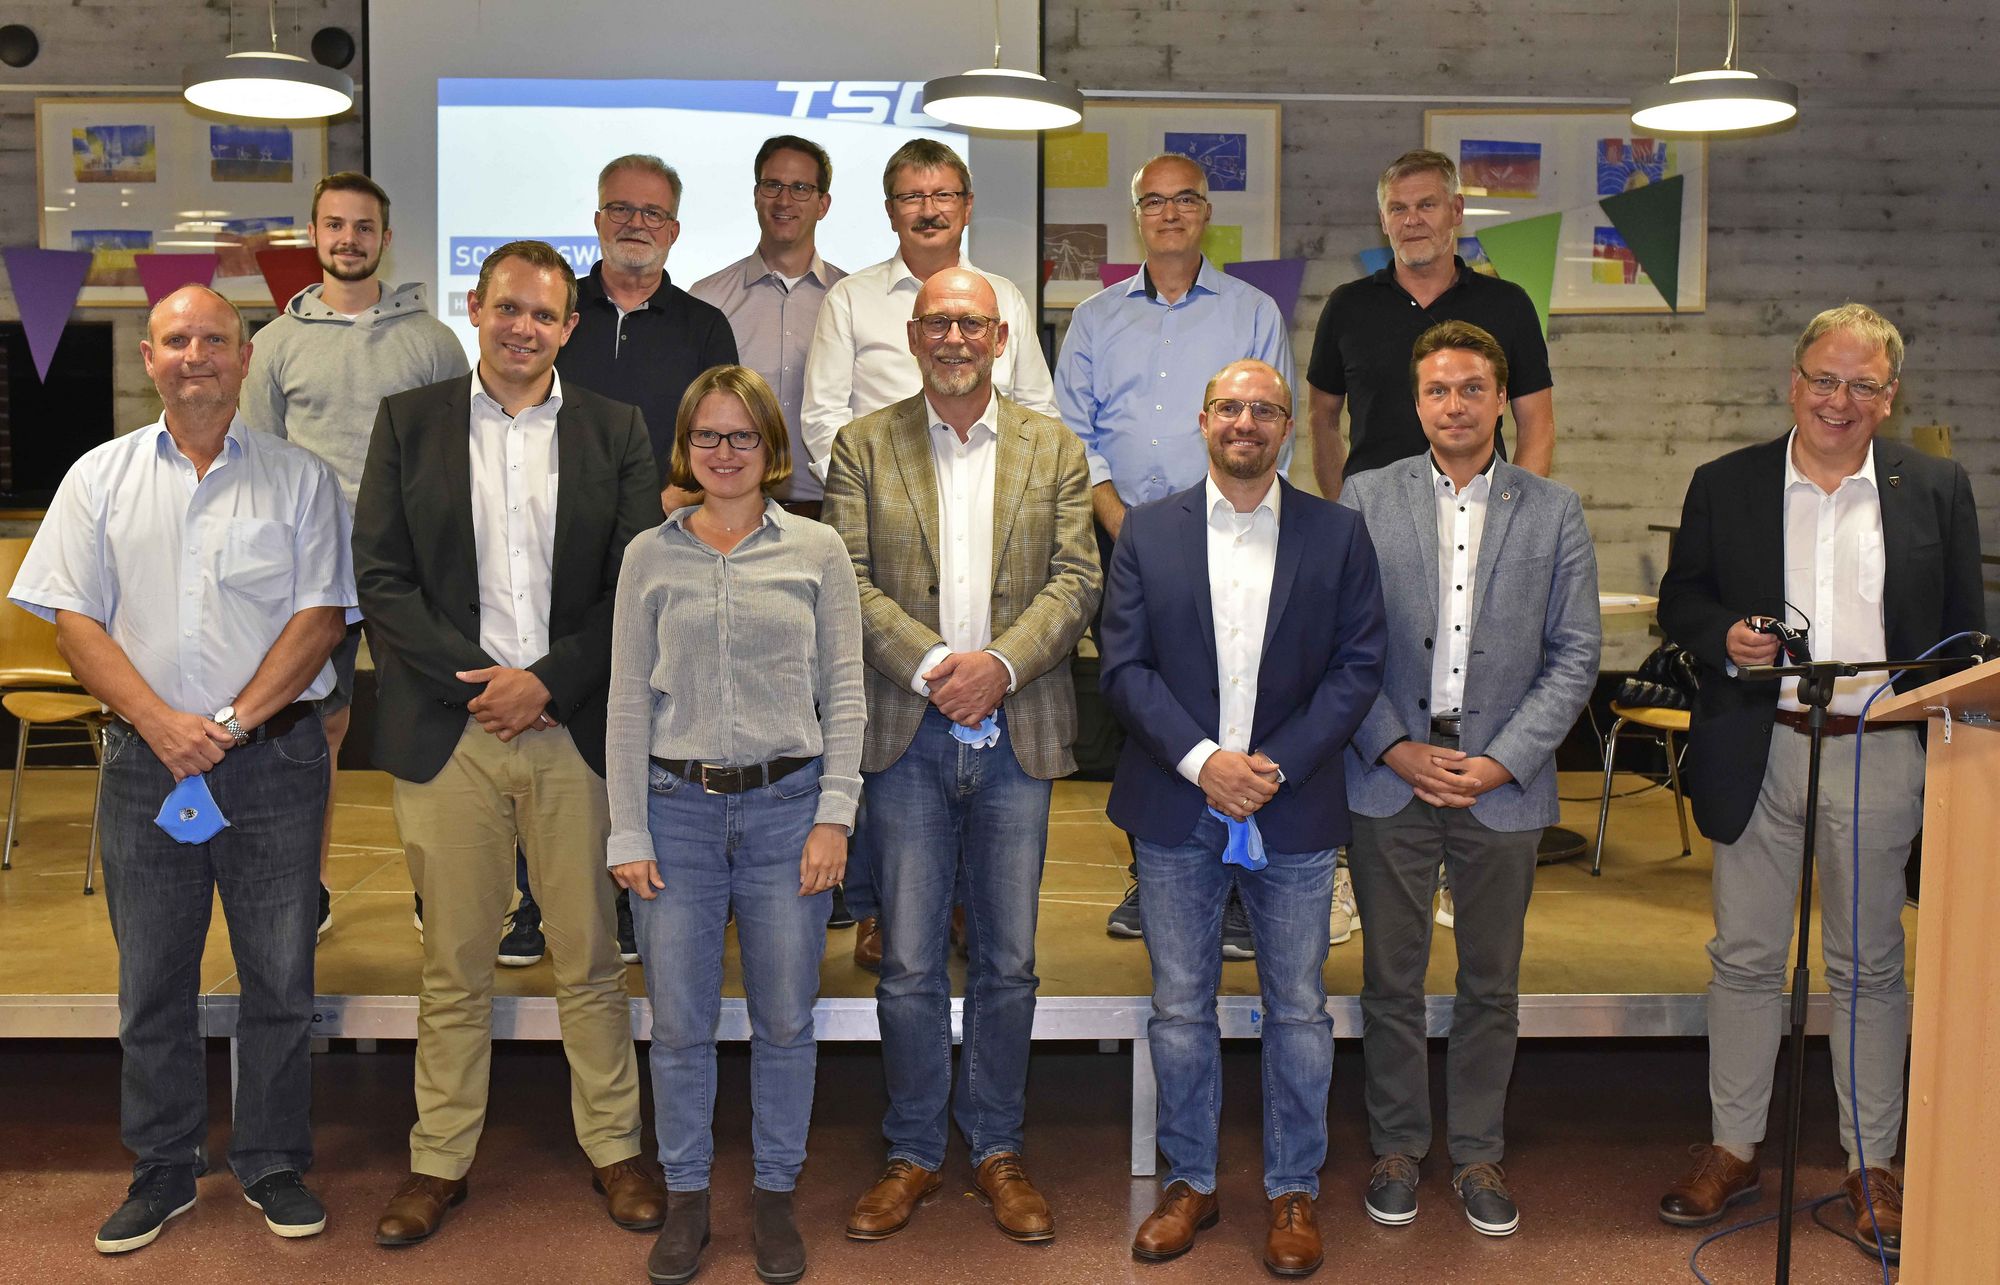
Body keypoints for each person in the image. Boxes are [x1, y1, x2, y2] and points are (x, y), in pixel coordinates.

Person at [10, 284, 354, 1254]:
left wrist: (230, 725)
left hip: (275, 763)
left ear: (245, 358)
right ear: (147, 359)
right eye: (175, 340)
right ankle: (162, 1164)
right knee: (152, 977)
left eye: (213, 339)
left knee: (279, 975)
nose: (195, 355)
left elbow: (320, 619)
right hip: (144, 766)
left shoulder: (302, 480)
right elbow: (75, 623)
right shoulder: (98, 478)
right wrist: (162, 725)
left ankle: (272, 1158)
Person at [1655, 304, 1985, 1259]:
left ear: (1891, 396)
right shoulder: (1726, 482)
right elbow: (1682, 599)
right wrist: (1724, 636)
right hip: (1759, 742)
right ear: (1794, 383)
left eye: (1863, 385)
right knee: (1746, 956)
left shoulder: (1936, 487)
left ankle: (1871, 1162)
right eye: (1825, 380)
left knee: (1871, 964)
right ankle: (1732, 1147)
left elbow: (1965, 627)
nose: (1840, 400)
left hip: (1879, 747)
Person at [352, 240, 665, 1246]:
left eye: (543, 313)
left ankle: (615, 1146)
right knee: (454, 965)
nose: (523, 327)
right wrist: (486, 686)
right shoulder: (409, 422)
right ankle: (438, 1160)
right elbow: (382, 575)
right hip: (451, 732)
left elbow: (636, 580)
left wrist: (549, 681)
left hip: (573, 728)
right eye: (507, 308)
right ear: (476, 309)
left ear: (568, 327)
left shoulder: (616, 428)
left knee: (590, 957)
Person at [823, 267, 1098, 1246]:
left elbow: (1076, 580)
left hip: (1017, 730)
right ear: (912, 333)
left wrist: (1000, 667)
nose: (953, 337)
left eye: (970, 323)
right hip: (907, 732)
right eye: (936, 321)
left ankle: (995, 1145)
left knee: (1008, 962)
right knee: (905, 962)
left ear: (999, 337)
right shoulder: (863, 445)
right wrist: (941, 667)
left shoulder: (1053, 447)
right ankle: (910, 1150)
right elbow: (846, 580)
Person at [1100, 358, 1386, 1276]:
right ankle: (1191, 1180)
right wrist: (1203, 762)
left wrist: (1274, 766)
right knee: (1179, 1006)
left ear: (1287, 428)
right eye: (1229, 406)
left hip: (1290, 804)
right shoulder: (1148, 530)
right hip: (1174, 802)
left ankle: (1293, 1186)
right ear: (1203, 419)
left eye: (1264, 409)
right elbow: (1124, 667)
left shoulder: (1337, 533)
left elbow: (1358, 665)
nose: (1245, 422)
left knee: (1297, 1009)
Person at [605, 365, 865, 1285]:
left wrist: (835, 815)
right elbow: (626, 702)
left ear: (770, 448)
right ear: (686, 447)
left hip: (788, 813)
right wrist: (627, 830)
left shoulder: (818, 551)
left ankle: (773, 1196)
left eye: (742, 435)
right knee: (678, 1023)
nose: (724, 452)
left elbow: (845, 692)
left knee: (784, 1019)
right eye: (707, 436)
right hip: (674, 813)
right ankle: (686, 1199)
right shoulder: (649, 556)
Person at [1338, 320, 1599, 1239]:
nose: (1455, 405)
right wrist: (1392, 746)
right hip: (1392, 776)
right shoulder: (1366, 497)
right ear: (1418, 405)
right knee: (1390, 980)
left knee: (1492, 982)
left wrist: (1501, 760)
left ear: (1500, 401)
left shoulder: (1553, 509)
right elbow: (1340, 643)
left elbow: (1576, 654)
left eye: (1473, 389)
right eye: (1439, 390)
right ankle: (1399, 1146)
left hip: (1503, 781)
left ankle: (1479, 1151)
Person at [802, 138, 1058, 968]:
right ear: (890, 210)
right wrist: (874, 488)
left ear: (967, 205)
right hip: (882, 522)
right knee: (888, 737)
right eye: (912, 195)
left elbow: (1038, 409)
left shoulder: (1004, 296)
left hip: (992, 519)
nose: (929, 208)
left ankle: (959, 905)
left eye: (944, 193)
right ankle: (882, 907)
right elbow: (823, 418)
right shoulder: (851, 299)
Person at [1055, 150, 1298, 953]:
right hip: (1117, 533)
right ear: (1137, 215)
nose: (1169, 213)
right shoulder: (1095, 318)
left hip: (1230, 533)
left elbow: (1274, 424)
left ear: (1205, 213)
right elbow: (1074, 434)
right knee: (1142, 702)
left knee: (1235, 692)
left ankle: (1236, 881)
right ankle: (1150, 870)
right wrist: (1123, 523)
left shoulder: (1253, 311)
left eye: (1184, 199)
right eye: (1154, 201)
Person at [240, 169, 469, 943]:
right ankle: (308, 888)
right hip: (312, 577)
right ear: (314, 234)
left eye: (363, 227)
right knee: (316, 732)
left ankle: (435, 892)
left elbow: (455, 464)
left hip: (410, 573)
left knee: (428, 729)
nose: (348, 239)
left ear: (385, 238)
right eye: (334, 225)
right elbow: (259, 468)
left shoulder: (433, 342)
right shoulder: (274, 345)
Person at [1307, 150, 1555, 498]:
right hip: (1373, 515)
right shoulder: (1346, 306)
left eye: (1426, 205)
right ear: (1383, 221)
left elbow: (1537, 424)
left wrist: (1512, 512)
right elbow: (1321, 420)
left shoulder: (1508, 304)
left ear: (1456, 210)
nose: (1412, 220)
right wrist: (1344, 511)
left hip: (1479, 509)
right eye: (1398, 208)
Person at [557, 152, 739, 504]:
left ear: (673, 232)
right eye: (620, 209)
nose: (635, 223)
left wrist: (671, 502)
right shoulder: (555, 311)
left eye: (653, 213)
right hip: (555, 520)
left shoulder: (706, 326)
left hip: (667, 525)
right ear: (598, 221)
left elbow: (724, 436)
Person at [690, 136, 848, 520]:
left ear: (823, 204)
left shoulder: (851, 300)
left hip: (832, 511)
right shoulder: (707, 299)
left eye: (801, 188)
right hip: (731, 512)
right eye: (772, 185)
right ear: (756, 195)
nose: (784, 200)